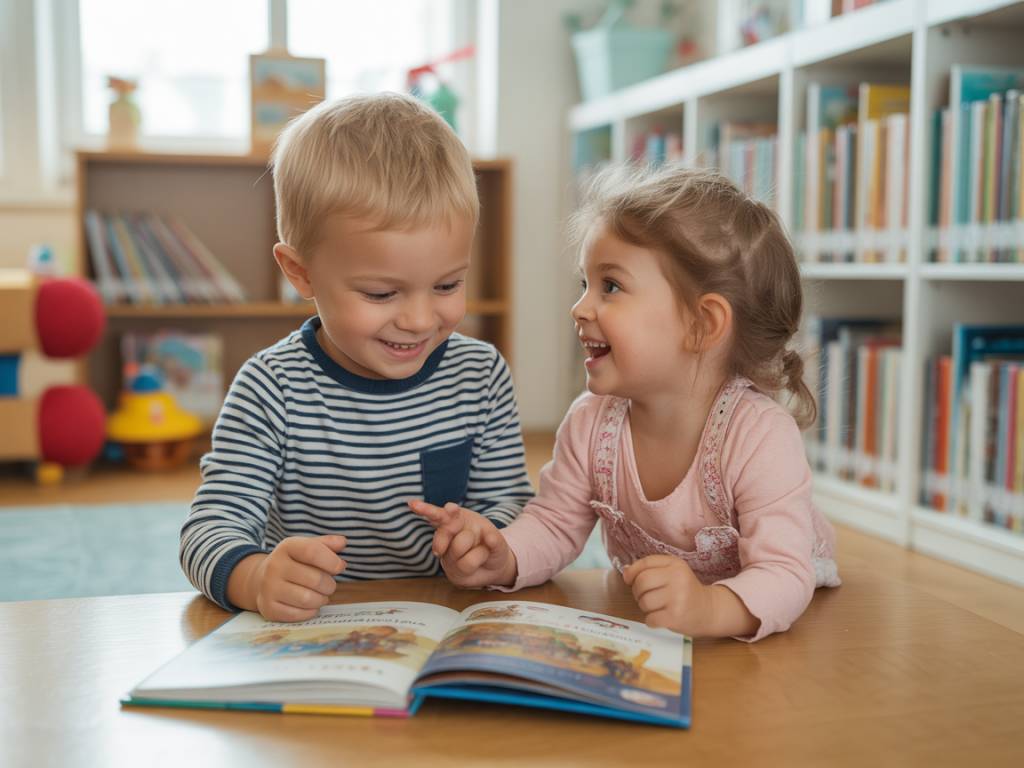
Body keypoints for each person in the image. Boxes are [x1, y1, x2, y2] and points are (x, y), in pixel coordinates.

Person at [412, 164, 840, 642]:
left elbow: (784, 573)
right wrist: (502, 554)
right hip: (662, 624)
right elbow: (554, 525)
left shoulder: (759, 435)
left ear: (703, 324)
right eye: (584, 284)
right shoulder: (591, 423)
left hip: (770, 624)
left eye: (610, 286)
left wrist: (710, 607)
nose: (579, 308)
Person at [180, 93, 533, 622]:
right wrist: (255, 578)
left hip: (443, 619)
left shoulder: (480, 375)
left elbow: (512, 505)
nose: (418, 319)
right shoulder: (270, 387)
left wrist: (491, 542)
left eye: (446, 284)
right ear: (300, 272)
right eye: (380, 294)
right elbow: (207, 531)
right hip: (314, 630)